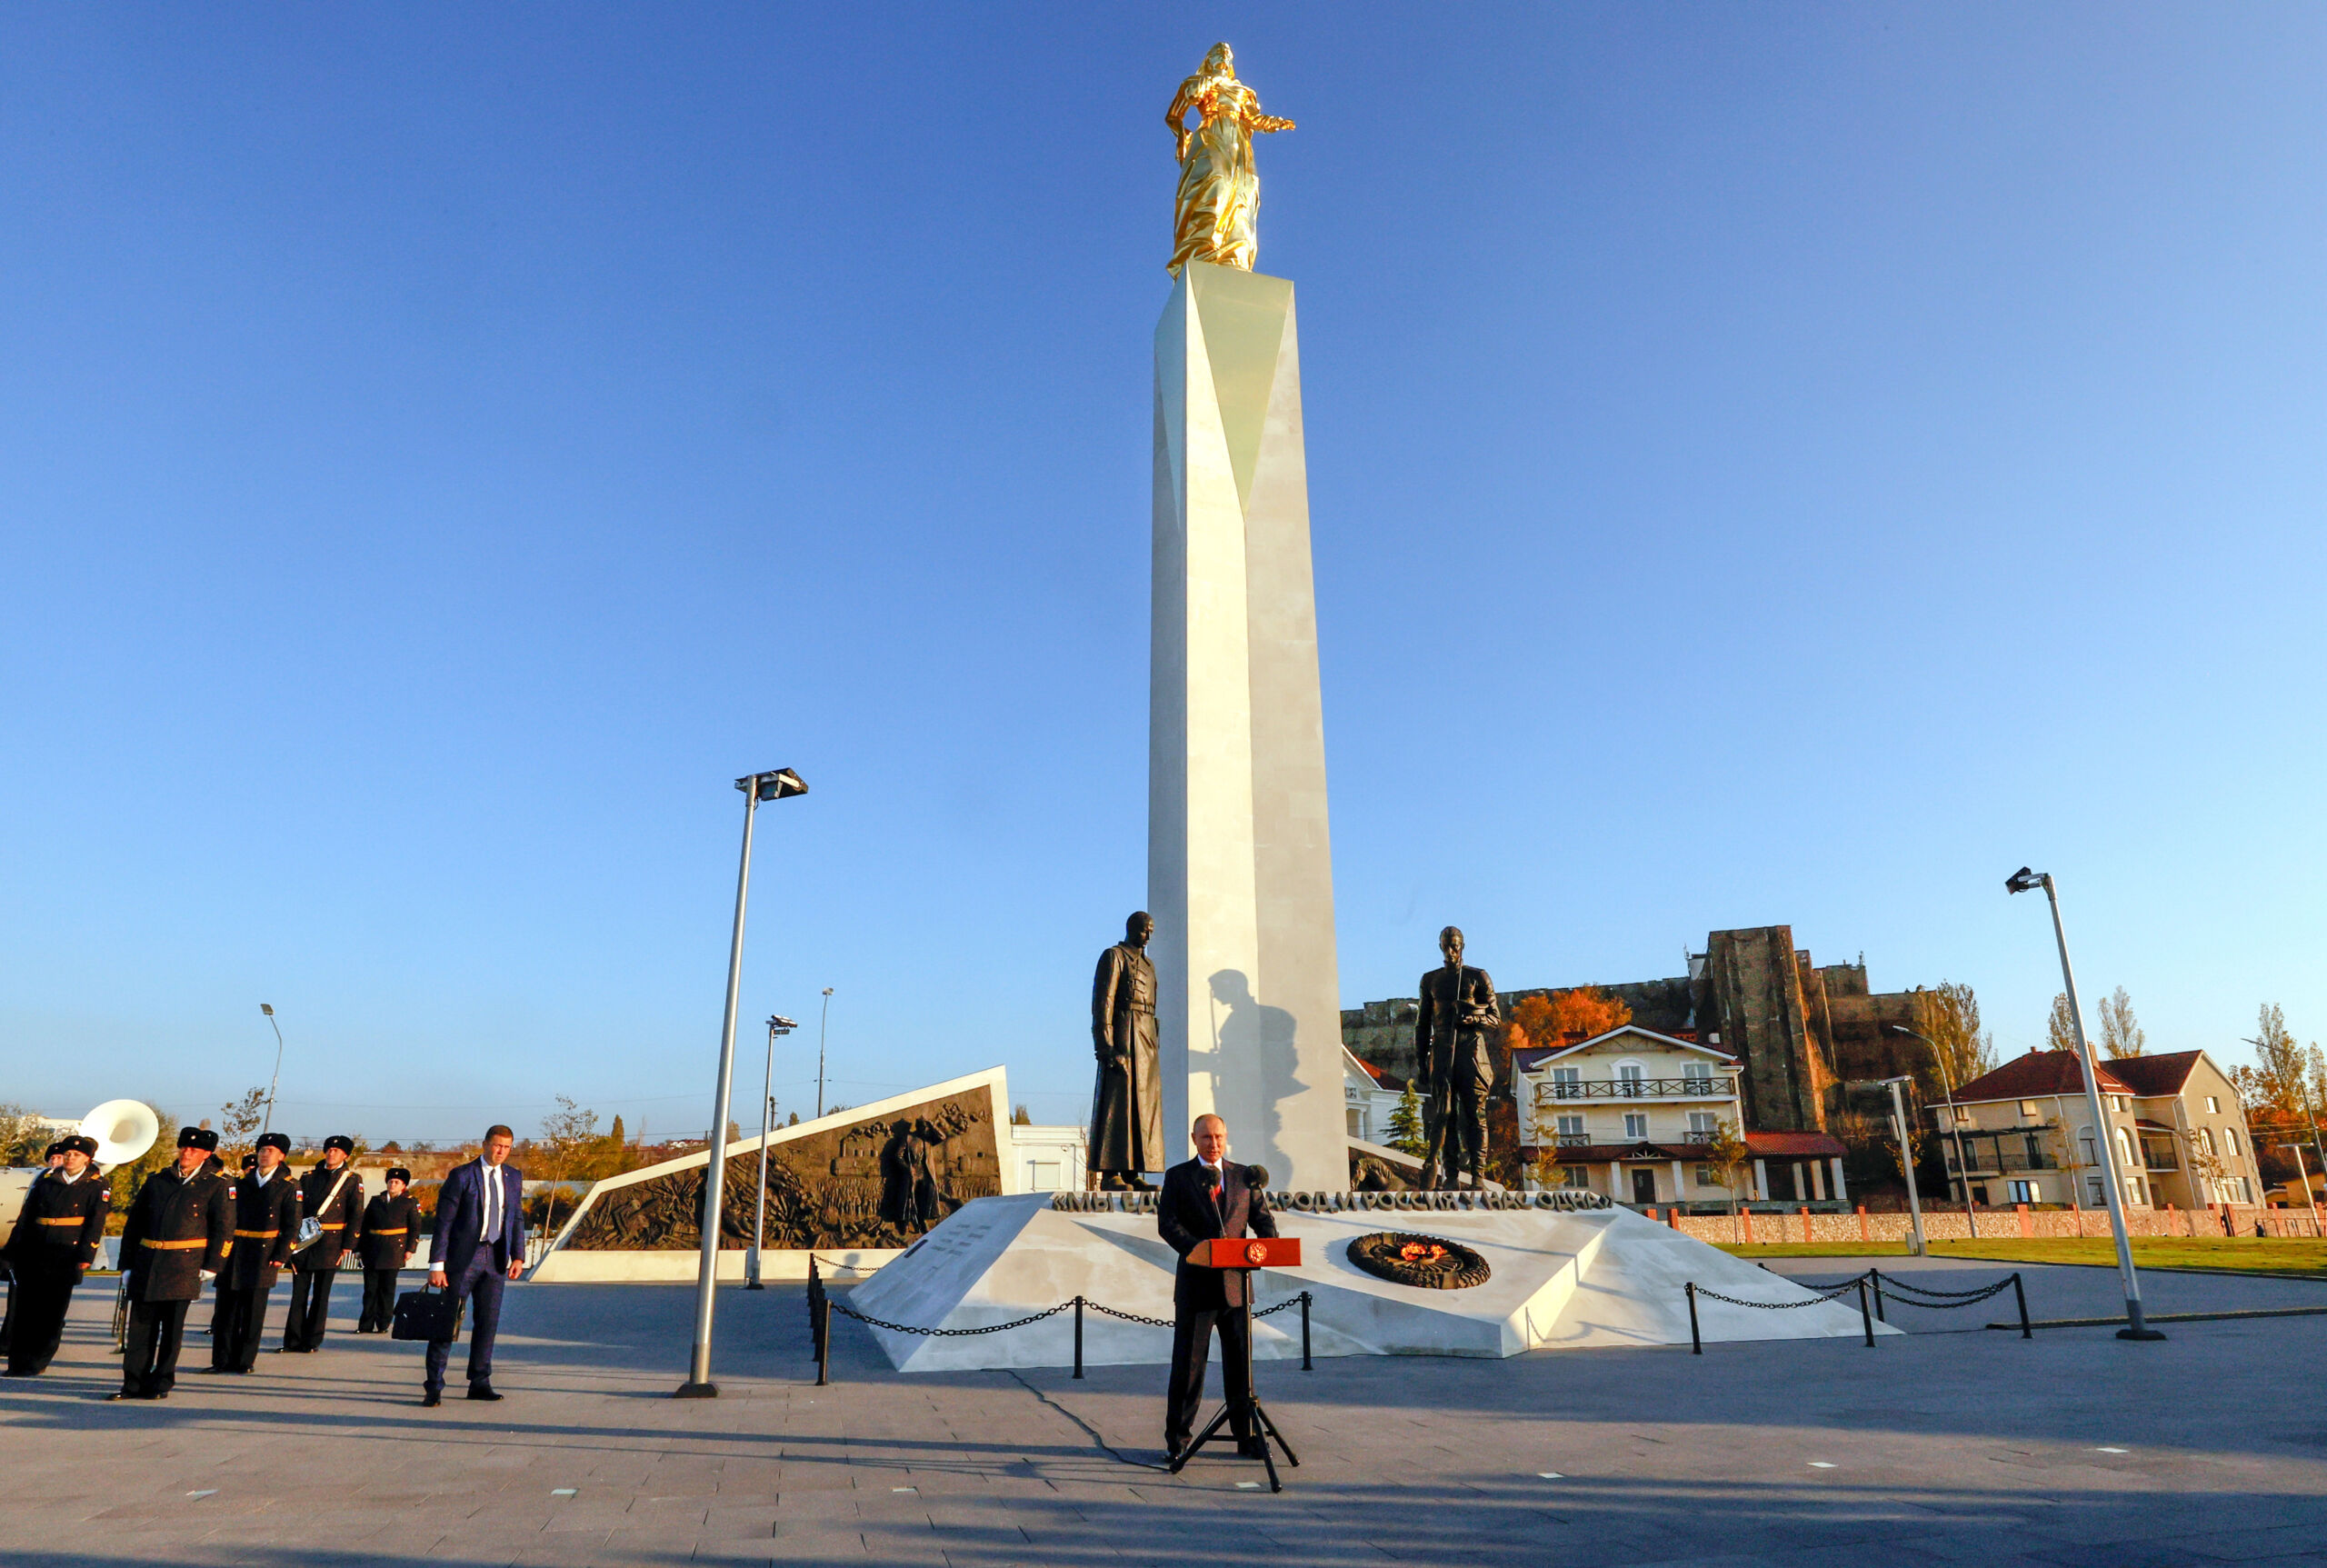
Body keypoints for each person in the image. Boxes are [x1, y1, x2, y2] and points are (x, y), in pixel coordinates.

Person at [1156, 1113, 1277, 1463]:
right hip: (1197, 1288)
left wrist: (1270, 1244)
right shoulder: (1179, 1177)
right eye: (1207, 1137)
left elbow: (1262, 1220)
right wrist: (1197, 1249)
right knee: (1189, 1369)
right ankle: (1178, 1439)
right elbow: (1168, 1224)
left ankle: (1248, 1437)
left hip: (1237, 1287)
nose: (1214, 1144)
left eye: (1219, 1137)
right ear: (1194, 1139)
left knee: (1241, 1368)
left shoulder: (1244, 1177)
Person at [111, 1128, 232, 1400]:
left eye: (194, 1150)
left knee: (171, 1331)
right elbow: (134, 1225)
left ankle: (161, 1382)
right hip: (148, 1263)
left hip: (184, 1265)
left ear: (207, 1154)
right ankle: (132, 1384)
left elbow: (224, 1228)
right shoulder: (158, 1180)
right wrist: (127, 1264)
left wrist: (213, 1264)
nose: (187, 1153)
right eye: (184, 1148)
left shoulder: (218, 1184)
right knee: (140, 1330)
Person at [422, 1124, 524, 1406]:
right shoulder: (462, 1176)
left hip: (496, 1259)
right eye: (496, 1145)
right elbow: (444, 1222)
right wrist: (436, 1265)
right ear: (485, 1144)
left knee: (488, 1323)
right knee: (447, 1322)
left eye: (506, 1147)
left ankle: (480, 1381)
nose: (501, 1151)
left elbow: (516, 1218)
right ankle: (434, 1385)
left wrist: (518, 1256)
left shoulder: (513, 1177)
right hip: (462, 1260)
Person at [1, 1134, 111, 1376]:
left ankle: (38, 1360)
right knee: (25, 1310)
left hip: (66, 1252)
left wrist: (86, 1254)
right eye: (68, 1154)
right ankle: (18, 1362)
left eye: (76, 1155)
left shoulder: (96, 1185)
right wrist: (12, 1248)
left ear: (87, 1159)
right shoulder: (47, 1180)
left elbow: (95, 1223)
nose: (70, 1159)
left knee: (52, 1311)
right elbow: (27, 1215)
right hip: (35, 1248)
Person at [1414, 925, 1500, 1191]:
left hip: (1472, 1051)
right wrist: (1421, 1061)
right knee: (1445, 1116)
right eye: (1447, 945)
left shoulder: (1477, 976)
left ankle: (1477, 1177)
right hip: (1441, 1050)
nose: (1451, 950)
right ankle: (1450, 1176)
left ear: (1462, 946)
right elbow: (1422, 1023)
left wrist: (1471, 1017)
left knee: (1475, 1115)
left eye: (1456, 945)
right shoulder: (1431, 979)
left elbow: (1495, 1018)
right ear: (1440, 946)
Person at [207, 1132, 299, 1373]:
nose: (264, 1154)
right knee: (226, 1308)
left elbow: (292, 1225)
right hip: (235, 1250)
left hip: (264, 1253)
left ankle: (244, 1360)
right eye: (261, 1150)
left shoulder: (289, 1186)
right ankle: (221, 1360)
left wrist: (282, 1254)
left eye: (270, 1150)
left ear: (281, 1156)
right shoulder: (242, 1182)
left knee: (253, 1310)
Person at [1090, 912, 1164, 1190]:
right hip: (1123, 1034)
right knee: (1119, 1106)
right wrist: (1106, 1047)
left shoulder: (1148, 964)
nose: (1148, 937)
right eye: (1145, 931)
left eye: (1151, 932)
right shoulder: (1114, 956)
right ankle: (1111, 1173)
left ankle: (1134, 1173)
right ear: (1132, 929)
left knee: (1143, 1109)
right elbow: (1103, 1003)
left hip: (1146, 1038)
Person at [282, 1134, 364, 1353]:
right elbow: (298, 1209)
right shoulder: (308, 1177)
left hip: (331, 1243)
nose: (331, 1153)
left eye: (336, 1150)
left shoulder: (352, 1179)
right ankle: (292, 1340)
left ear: (345, 1155)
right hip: (305, 1241)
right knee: (298, 1292)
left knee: (321, 1295)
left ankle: (312, 1340)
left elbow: (356, 1214)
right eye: (328, 1149)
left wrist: (349, 1246)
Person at [355, 1166, 421, 1333]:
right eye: (390, 1181)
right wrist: (359, 1248)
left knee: (387, 1290)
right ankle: (365, 1324)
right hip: (373, 1248)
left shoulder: (409, 1202)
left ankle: (383, 1323)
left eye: (396, 1182)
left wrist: (410, 1249)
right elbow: (364, 1226)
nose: (392, 1184)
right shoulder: (376, 1200)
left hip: (393, 1250)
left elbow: (415, 1227)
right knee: (370, 1290)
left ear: (403, 1186)